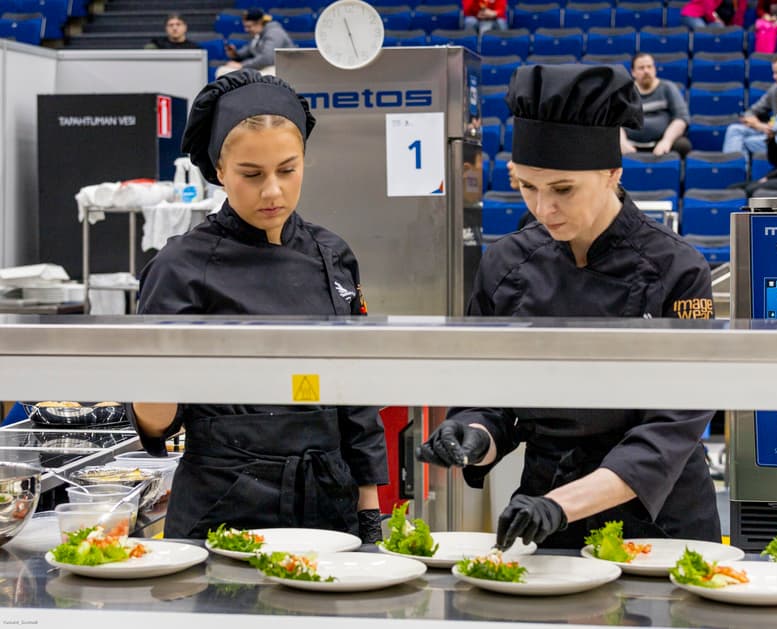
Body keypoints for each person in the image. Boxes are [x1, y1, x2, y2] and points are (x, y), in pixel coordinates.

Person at [416, 64, 720, 550]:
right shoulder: (505, 263)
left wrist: (562, 504)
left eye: (562, 190)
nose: (543, 209)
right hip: (542, 511)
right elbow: (489, 395)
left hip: (658, 519)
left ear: (612, 173)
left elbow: (673, 424)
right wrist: (474, 435)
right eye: (526, 187)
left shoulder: (678, 269)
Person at [128, 70, 388, 542]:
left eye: (288, 170)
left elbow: (356, 397)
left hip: (327, 504)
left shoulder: (333, 254)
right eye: (251, 175)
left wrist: (369, 511)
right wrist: (153, 385)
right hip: (224, 505)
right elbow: (157, 424)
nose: (272, 191)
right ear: (219, 171)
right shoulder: (180, 267)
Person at [621, 53, 692, 158]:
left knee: (683, 145)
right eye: (641, 68)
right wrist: (622, 143)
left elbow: (681, 118)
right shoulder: (625, 92)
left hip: (661, 144)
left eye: (649, 67)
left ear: (655, 69)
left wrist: (666, 141)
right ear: (633, 72)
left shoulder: (668, 88)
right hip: (629, 145)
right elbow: (614, 122)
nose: (646, 71)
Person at [216, 8, 293, 78]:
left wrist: (242, 65)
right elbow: (247, 51)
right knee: (223, 70)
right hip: (265, 68)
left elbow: (267, 59)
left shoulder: (274, 32)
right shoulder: (258, 35)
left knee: (229, 73)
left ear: (259, 22)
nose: (246, 30)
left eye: (249, 26)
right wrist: (235, 54)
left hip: (280, 70)